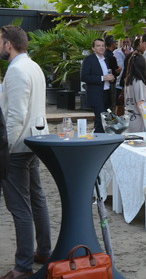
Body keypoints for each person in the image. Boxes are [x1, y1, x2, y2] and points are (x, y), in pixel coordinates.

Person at [0, 25, 52, 279]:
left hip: (18, 146)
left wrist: (4, 148)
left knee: (20, 207)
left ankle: (22, 266)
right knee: (37, 199)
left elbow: (16, 115)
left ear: (8, 44)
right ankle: (43, 252)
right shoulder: (33, 66)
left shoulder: (17, 69)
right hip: (33, 141)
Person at [80, 38, 117, 133]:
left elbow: (107, 75)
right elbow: (84, 77)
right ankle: (98, 140)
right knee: (101, 120)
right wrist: (102, 78)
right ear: (93, 48)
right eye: (98, 46)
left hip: (106, 93)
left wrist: (111, 78)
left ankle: (96, 138)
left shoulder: (106, 59)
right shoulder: (89, 60)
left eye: (103, 45)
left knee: (105, 120)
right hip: (96, 94)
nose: (101, 47)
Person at [123, 49, 146, 133]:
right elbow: (140, 104)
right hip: (137, 119)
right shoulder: (138, 82)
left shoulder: (129, 80)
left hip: (128, 117)